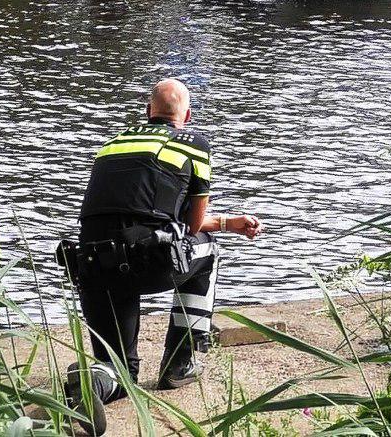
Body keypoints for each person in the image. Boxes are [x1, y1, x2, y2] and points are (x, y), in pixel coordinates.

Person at [59, 79, 263, 435]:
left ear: (147, 112)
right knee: (208, 249)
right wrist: (227, 225)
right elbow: (194, 225)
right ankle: (179, 363)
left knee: (120, 370)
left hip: (91, 264)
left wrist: (230, 222)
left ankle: (94, 382)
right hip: (147, 262)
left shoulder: (112, 144)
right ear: (187, 115)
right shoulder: (195, 144)